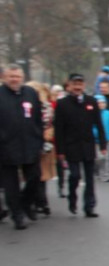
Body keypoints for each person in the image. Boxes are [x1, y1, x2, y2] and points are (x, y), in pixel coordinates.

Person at [54, 72, 105, 218]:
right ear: (69, 86)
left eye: (80, 84)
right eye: (75, 84)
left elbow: (99, 124)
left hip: (88, 145)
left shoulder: (91, 102)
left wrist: (102, 144)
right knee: (75, 175)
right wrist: (60, 151)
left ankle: (89, 206)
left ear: (84, 85)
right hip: (71, 147)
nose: (77, 87)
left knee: (90, 178)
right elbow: (59, 130)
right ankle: (72, 197)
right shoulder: (62, 104)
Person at [0, 65, 43, 230]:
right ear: (4, 77)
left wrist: (38, 136)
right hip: (6, 147)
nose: (14, 79)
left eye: (17, 76)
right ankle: (17, 215)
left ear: (22, 78)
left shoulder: (30, 93)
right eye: (11, 76)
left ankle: (25, 203)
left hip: (30, 144)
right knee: (11, 185)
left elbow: (37, 116)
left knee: (35, 177)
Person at [27, 81, 56, 215]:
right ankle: (38, 201)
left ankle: (40, 202)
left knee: (40, 174)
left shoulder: (44, 106)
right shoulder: (30, 105)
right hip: (33, 142)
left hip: (42, 142)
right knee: (35, 174)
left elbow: (47, 123)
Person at [94, 95, 109, 182]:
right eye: (99, 103)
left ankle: (105, 174)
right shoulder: (93, 114)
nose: (101, 104)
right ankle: (97, 171)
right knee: (97, 158)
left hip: (107, 139)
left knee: (105, 157)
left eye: (103, 103)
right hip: (96, 140)